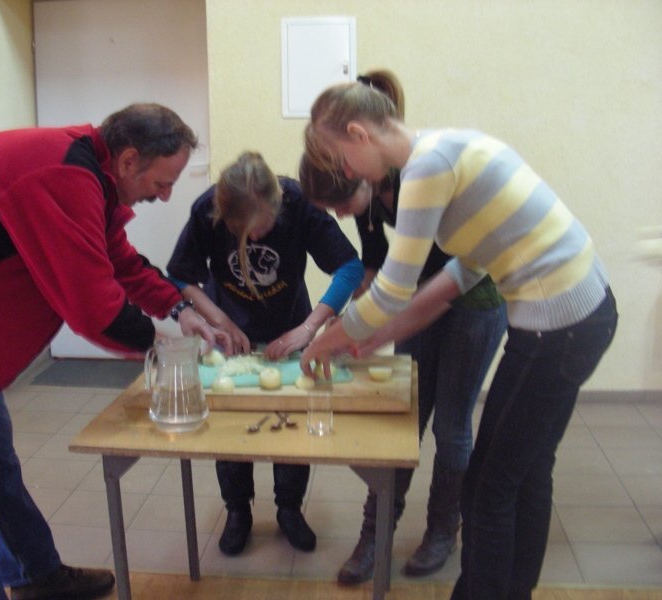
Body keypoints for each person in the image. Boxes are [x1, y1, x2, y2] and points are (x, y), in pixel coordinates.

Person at [0, 103, 219, 600]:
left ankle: (35, 577)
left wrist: (179, 309)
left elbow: (117, 259)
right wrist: (164, 346)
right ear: (129, 160)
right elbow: (93, 309)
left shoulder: (89, 174)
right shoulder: (59, 174)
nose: (165, 196)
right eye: (163, 182)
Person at [300, 82, 618, 600]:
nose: (349, 171)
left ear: (358, 134)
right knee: (527, 471)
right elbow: (461, 274)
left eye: (343, 158)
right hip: (581, 313)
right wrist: (379, 334)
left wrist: (322, 342)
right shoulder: (445, 150)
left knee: (488, 489)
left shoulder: (427, 166)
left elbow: (392, 290)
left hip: (557, 325)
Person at [298, 68, 507, 587]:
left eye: (342, 204)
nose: (341, 215)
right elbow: (376, 269)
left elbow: (439, 282)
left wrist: (351, 332)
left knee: (451, 424)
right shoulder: (367, 198)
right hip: (416, 299)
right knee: (404, 421)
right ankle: (375, 535)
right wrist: (353, 319)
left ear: (361, 175)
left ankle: (443, 530)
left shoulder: (419, 178)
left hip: (473, 300)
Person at [166, 151, 363, 556]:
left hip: (290, 326)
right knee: (231, 423)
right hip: (229, 330)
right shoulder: (207, 209)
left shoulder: (299, 204)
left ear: (278, 208)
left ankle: (289, 509)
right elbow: (180, 276)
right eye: (241, 233)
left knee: (291, 422)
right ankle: (237, 510)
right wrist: (220, 319)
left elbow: (349, 268)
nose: (253, 240)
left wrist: (309, 328)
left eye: (261, 229)